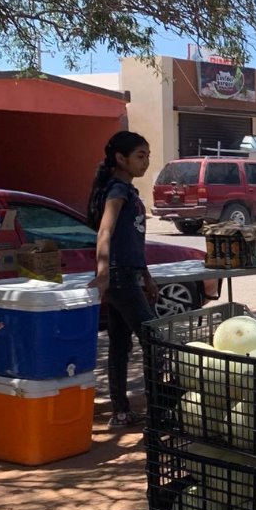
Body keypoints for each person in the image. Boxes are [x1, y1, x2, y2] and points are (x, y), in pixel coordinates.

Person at [86, 131, 158, 428]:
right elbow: (105, 231)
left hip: (129, 274)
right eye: (140, 156)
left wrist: (146, 275)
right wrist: (103, 274)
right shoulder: (117, 190)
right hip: (119, 277)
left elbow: (133, 241)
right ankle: (159, 412)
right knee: (156, 341)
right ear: (120, 158)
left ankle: (121, 412)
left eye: (147, 156)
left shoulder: (128, 191)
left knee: (119, 343)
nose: (146, 162)